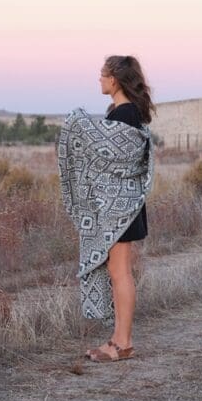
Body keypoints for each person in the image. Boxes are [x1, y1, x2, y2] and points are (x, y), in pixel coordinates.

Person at [85, 54, 155, 362]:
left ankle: (123, 343)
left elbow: (115, 164)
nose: (99, 80)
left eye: (102, 75)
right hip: (123, 205)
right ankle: (116, 338)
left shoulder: (123, 115)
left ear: (114, 79)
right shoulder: (123, 112)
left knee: (120, 271)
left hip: (120, 208)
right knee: (117, 271)